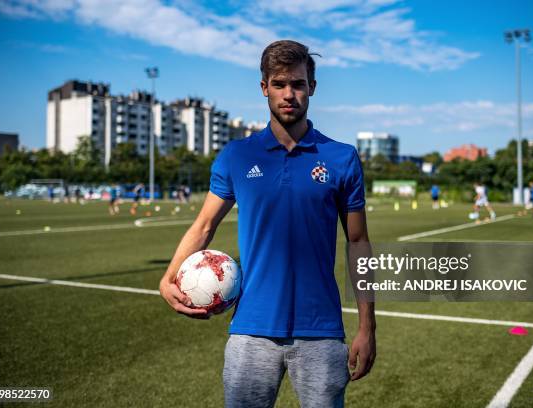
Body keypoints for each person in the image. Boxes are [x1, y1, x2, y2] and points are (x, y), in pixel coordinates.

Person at [159, 40, 376, 408]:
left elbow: (359, 243)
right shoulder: (237, 155)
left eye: (298, 84)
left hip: (322, 333)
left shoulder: (342, 158)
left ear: (312, 87)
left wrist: (368, 328)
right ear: (264, 88)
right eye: (279, 84)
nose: (289, 94)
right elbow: (204, 226)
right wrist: (168, 278)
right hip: (250, 332)